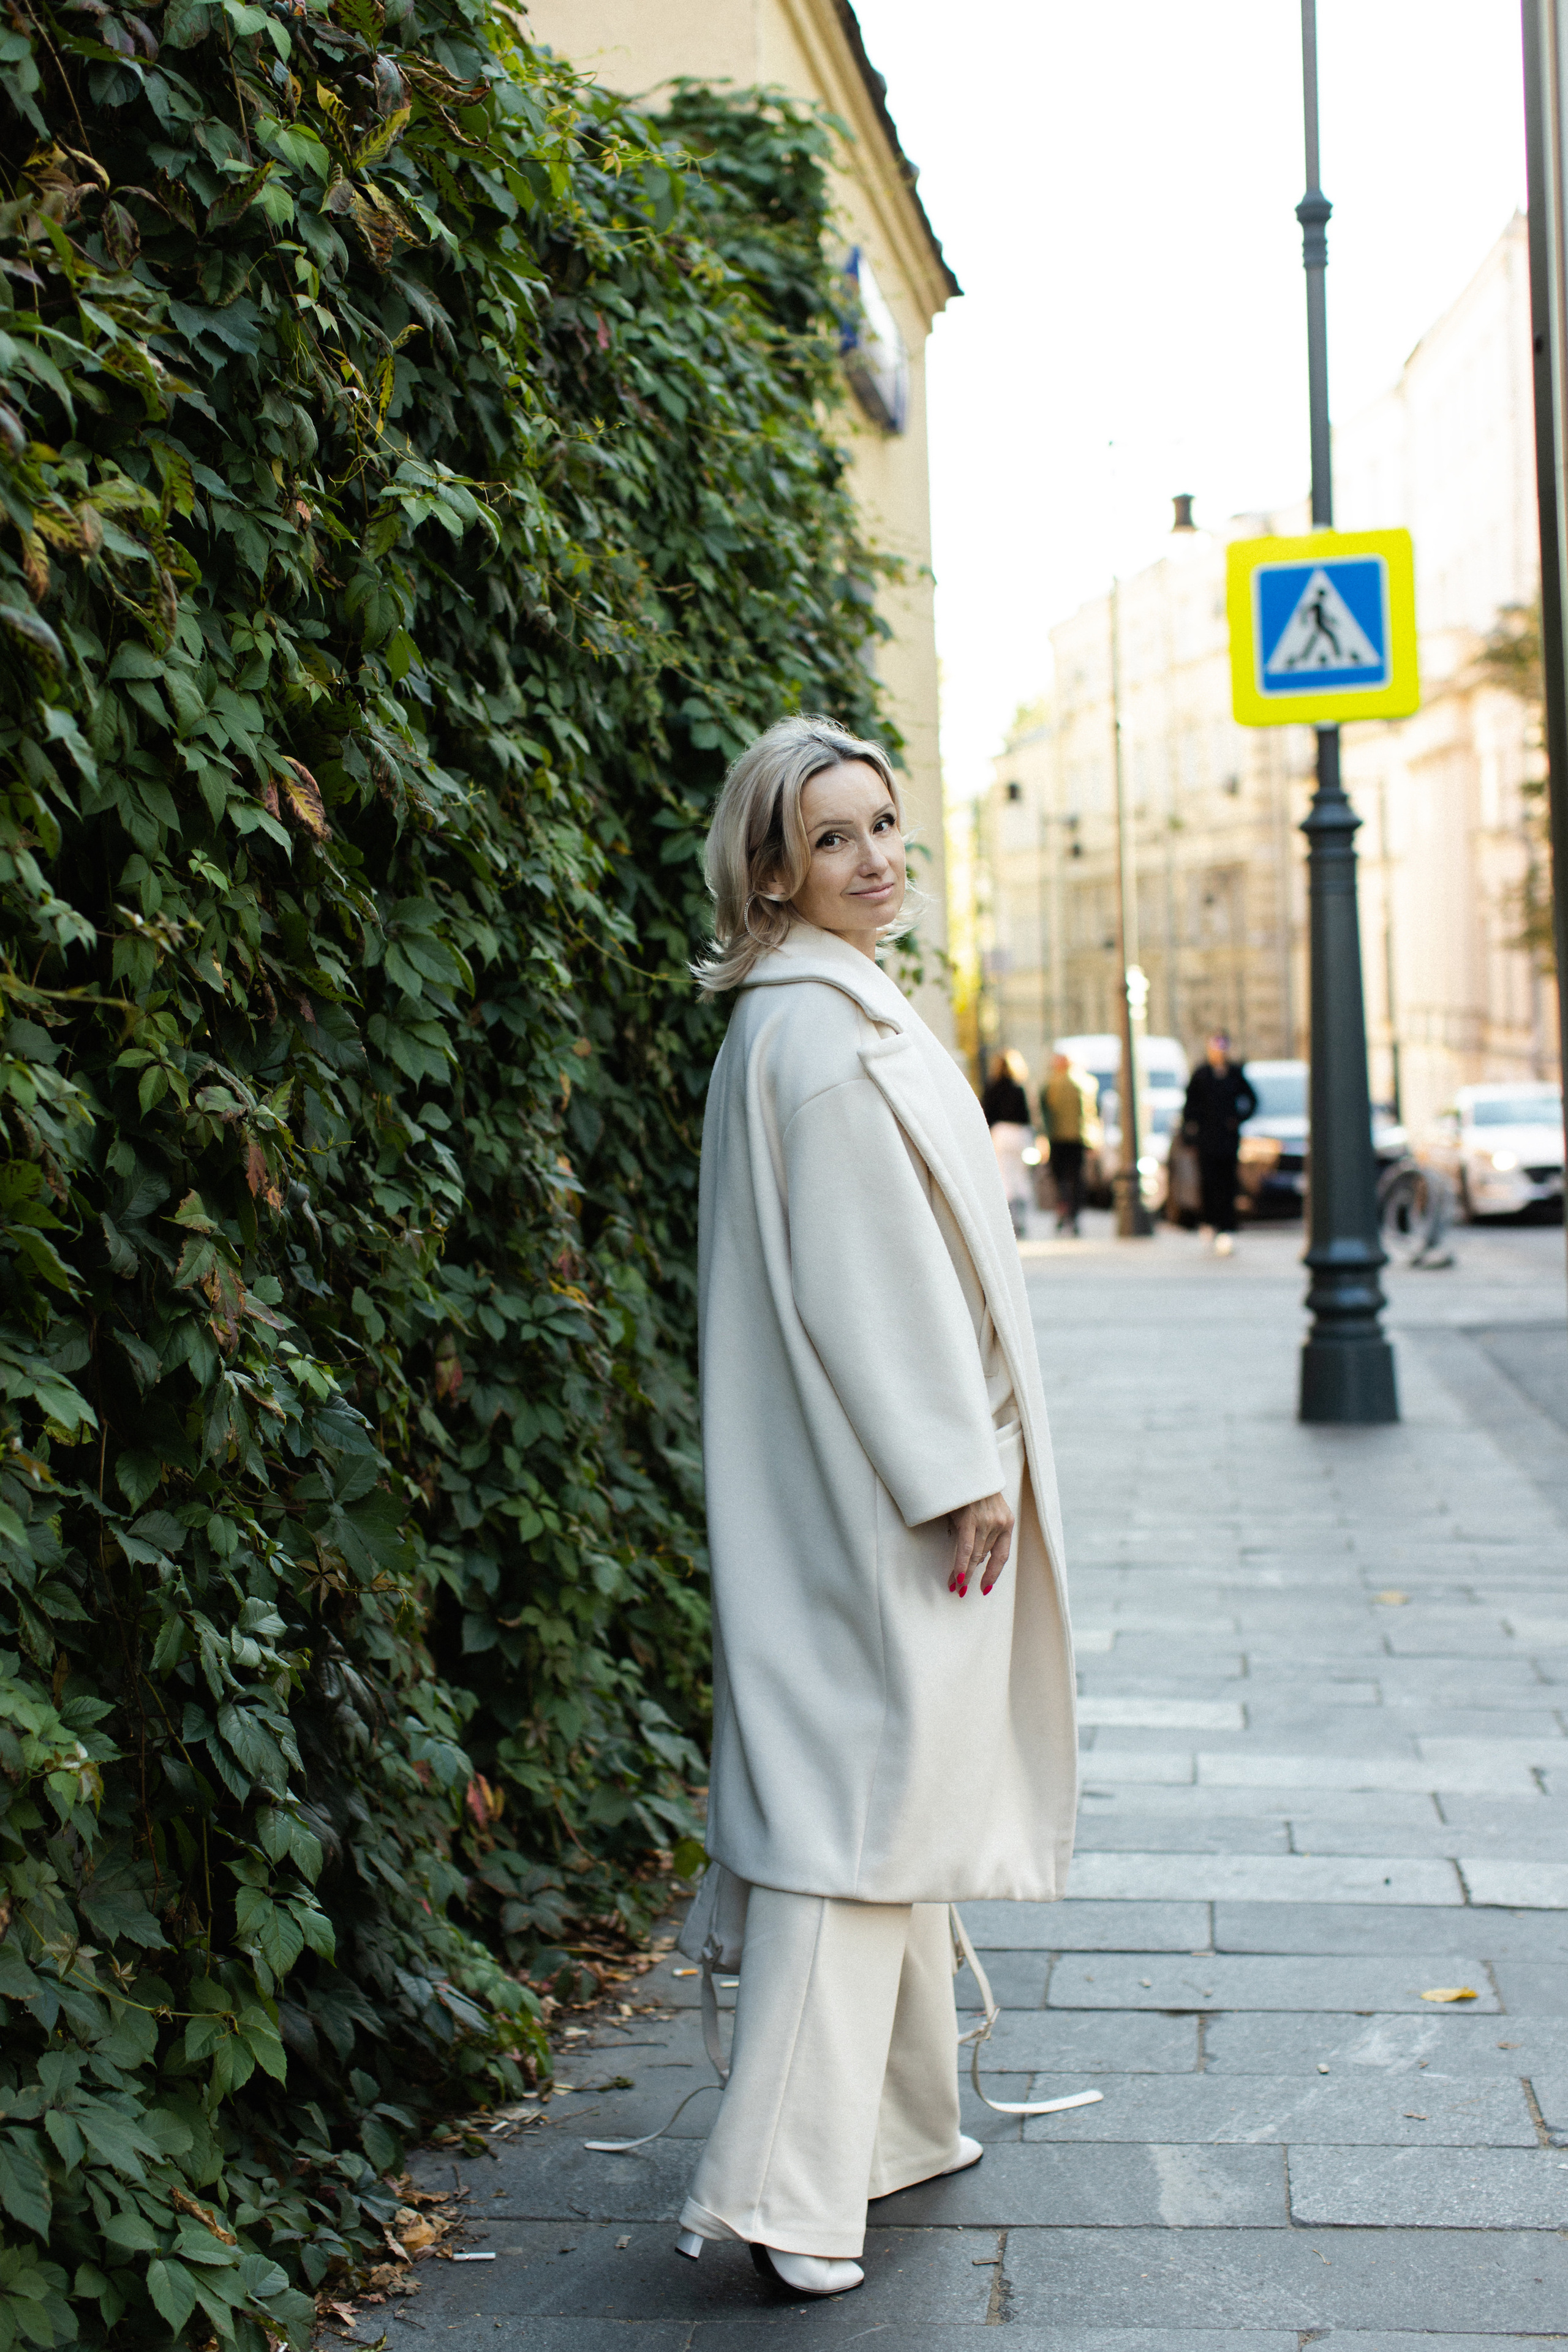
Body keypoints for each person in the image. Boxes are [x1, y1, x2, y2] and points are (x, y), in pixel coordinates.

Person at [680, 715, 1077, 2301]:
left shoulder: (817, 1011)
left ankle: (899, 2124)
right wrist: (957, 1473)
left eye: (885, 825)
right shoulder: (825, 1036)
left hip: (846, 1478)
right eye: (834, 838)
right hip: (881, 1488)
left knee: (882, 1792)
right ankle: (781, 2198)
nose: (876, 859)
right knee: (856, 1815)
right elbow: (872, 1283)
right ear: (774, 869)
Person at [1182, 1031, 1258, 1256]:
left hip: (1227, 1140)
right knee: (1209, 1183)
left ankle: (1226, 1227)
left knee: (1227, 1183)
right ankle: (1210, 1223)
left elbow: (1252, 1100)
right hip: (1207, 1141)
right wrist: (1191, 1134)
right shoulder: (1201, 1074)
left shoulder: (1235, 1073)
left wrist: (1238, 1119)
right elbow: (1190, 1108)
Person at [1039, 1052, 1098, 1235]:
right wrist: (1092, 1140)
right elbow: (1090, 1114)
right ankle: (1074, 1215)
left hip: (1057, 1138)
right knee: (1077, 1179)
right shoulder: (1086, 1083)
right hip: (1078, 1139)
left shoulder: (1051, 1083)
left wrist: (1044, 1137)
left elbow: (1044, 1113)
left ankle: (1062, 1209)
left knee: (1060, 1179)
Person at [980, 1048, 1035, 1238]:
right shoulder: (1019, 1088)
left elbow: (986, 1115)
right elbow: (1027, 1115)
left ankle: (1009, 1220)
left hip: (1000, 1134)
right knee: (1021, 1175)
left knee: (1004, 1175)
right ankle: (1021, 1219)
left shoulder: (991, 1088)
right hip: (1019, 1133)